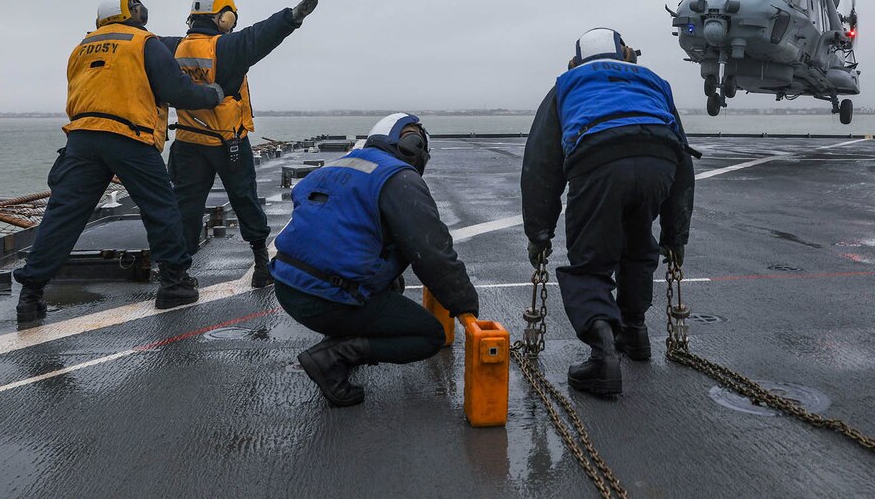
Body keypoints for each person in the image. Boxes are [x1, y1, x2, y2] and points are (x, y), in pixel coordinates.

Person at [13, 0, 226, 322]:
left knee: (62, 215)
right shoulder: (143, 42)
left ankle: (30, 294)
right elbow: (176, 91)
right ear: (135, 12)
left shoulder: (81, 48)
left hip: (82, 139)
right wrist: (211, 95)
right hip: (129, 137)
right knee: (161, 207)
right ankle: (174, 284)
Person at [521, 28, 696, 396]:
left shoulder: (566, 87)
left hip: (598, 161)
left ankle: (602, 358)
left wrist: (539, 232)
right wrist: (675, 236)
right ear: (626, 55)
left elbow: (541, 166)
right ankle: (634, 334)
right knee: (637, 247)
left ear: (576, 61)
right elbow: (682, 160)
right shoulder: (653, 83)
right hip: (659, 161)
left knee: (590, 262)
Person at [271, 113, 479, 407]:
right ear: (412, 147)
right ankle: (333, 357)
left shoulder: (334, 168)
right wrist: (465, 304)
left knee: (393, 283)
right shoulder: (398, 177)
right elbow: (432, 251)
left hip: (287, 285)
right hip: (323, 297)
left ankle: (341, 340)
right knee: (428, 335)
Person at [162, 0, 320, 288]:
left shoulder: (173, 47)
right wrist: (292, 18)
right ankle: (261, 265)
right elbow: (260, 35)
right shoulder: (228, 47)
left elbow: (143, 44)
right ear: (224, 18)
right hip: (227, 143)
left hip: (187, 142)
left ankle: (174, 277)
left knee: (185, 208)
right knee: (245, 199)